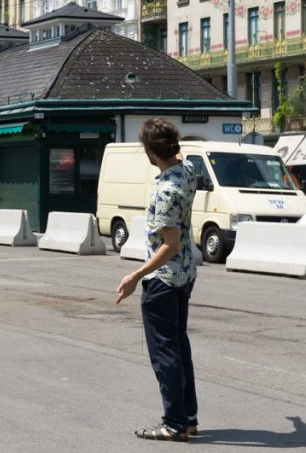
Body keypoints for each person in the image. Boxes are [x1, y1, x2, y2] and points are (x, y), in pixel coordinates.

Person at [115, 118, 199, 443]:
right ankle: (188, 418)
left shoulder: (167, 190)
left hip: (164, 279)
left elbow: (170, 244)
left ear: (151, 151)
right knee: (179, 346)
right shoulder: (187, 172)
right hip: (185, 274)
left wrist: (136, 275)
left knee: (165, 353)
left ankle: (174, 424)